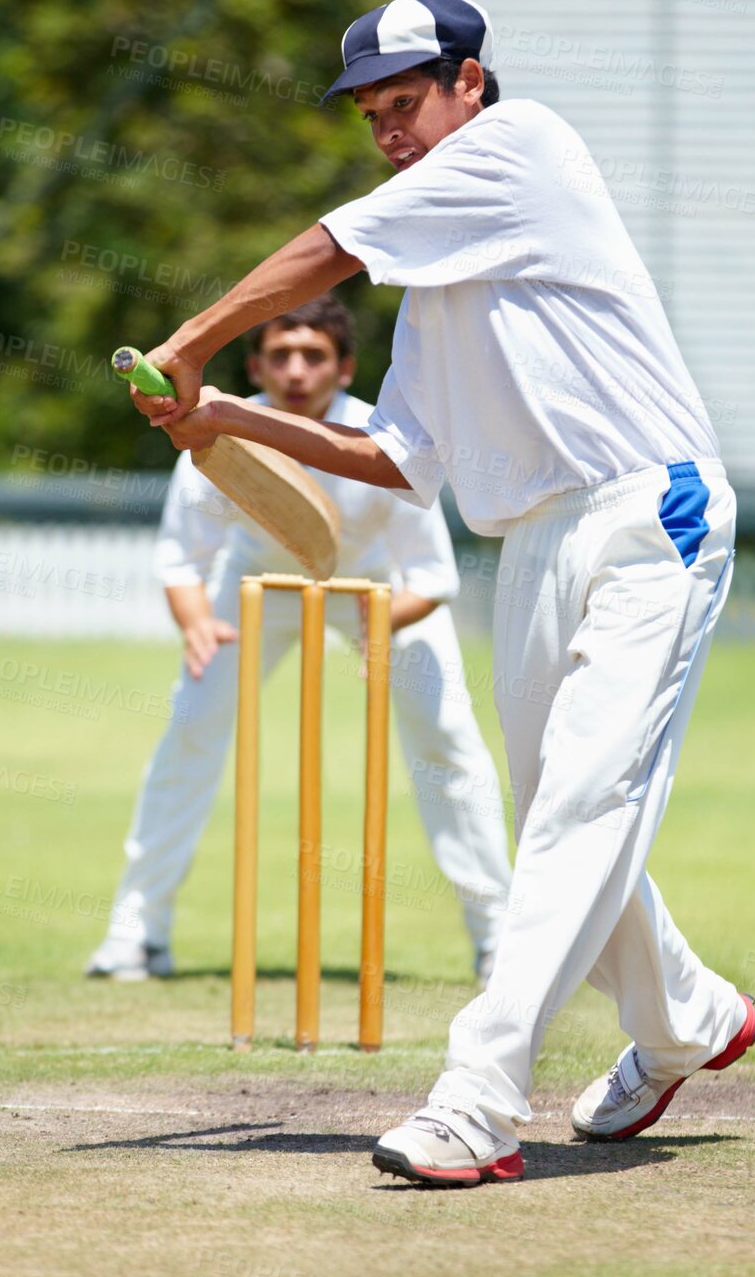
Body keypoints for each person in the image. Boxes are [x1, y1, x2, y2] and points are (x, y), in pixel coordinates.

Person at [130, 0, 755, 1186]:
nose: (390, 132)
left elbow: (330, 248)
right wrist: (220, 414)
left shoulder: (524, 148)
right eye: (371, 115)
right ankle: (685, 1017)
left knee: (579, 809)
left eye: (405, 103)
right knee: (556, 818)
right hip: (529, 542)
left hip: (649, 512)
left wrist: (192, 339)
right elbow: (397, 461)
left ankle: (475, 1098)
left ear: (470, 81)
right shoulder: (437, 285)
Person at [88, 293, 512, 987]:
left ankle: (497, 939)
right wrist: (198, 623)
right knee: (190, 732)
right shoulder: (216, 427)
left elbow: (432, 578)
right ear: (256, 364)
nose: (294, 370)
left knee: (447, 740)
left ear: (343, 369)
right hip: (257, 585)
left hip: (378, 593)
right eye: (280, 354)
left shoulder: (379, 435)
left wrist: (375, 628)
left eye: (313, 355)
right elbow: (180, 558)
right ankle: (136, 937)